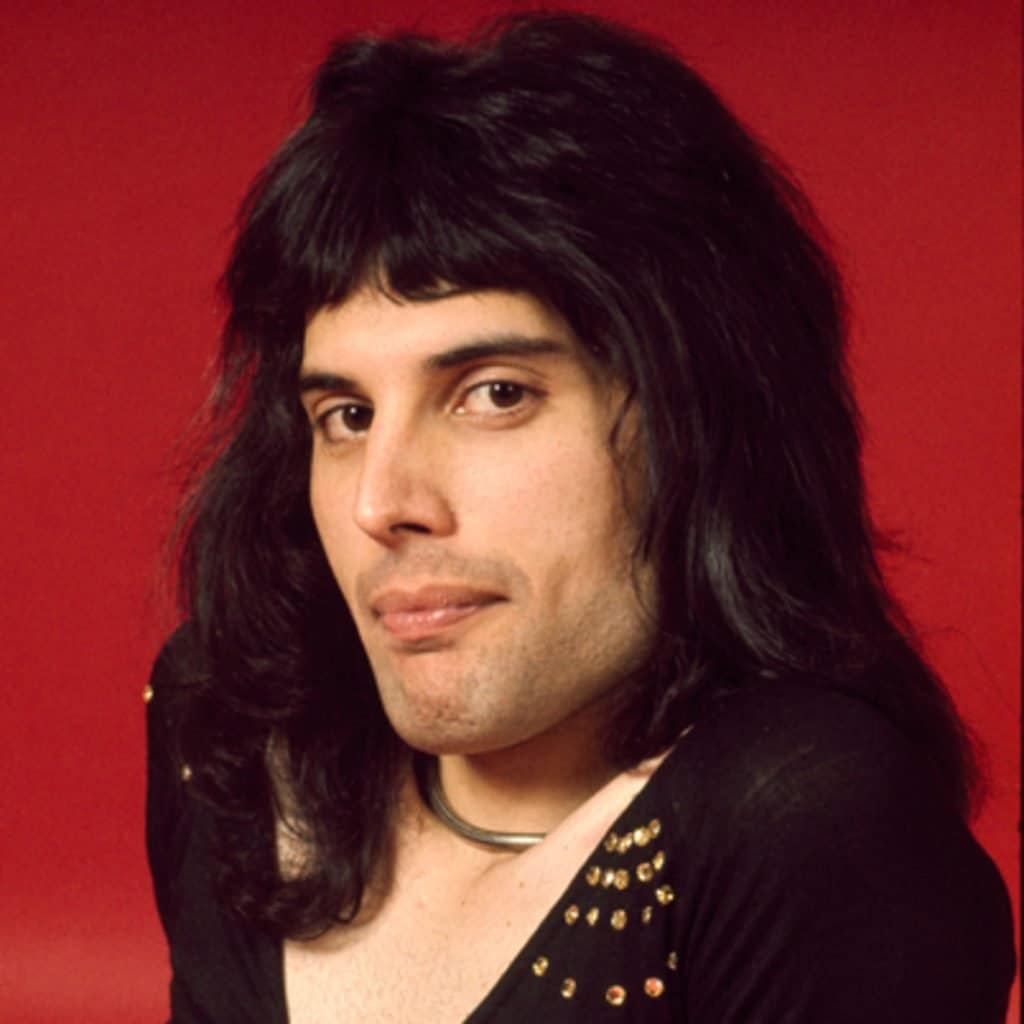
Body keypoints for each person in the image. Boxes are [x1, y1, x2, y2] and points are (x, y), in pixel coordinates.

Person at [145, 11, 1015, 1022]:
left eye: (494, 394)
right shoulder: (234, 730)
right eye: (346, 415)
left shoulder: (800, 818)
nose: (382, 503)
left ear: (696, 420)